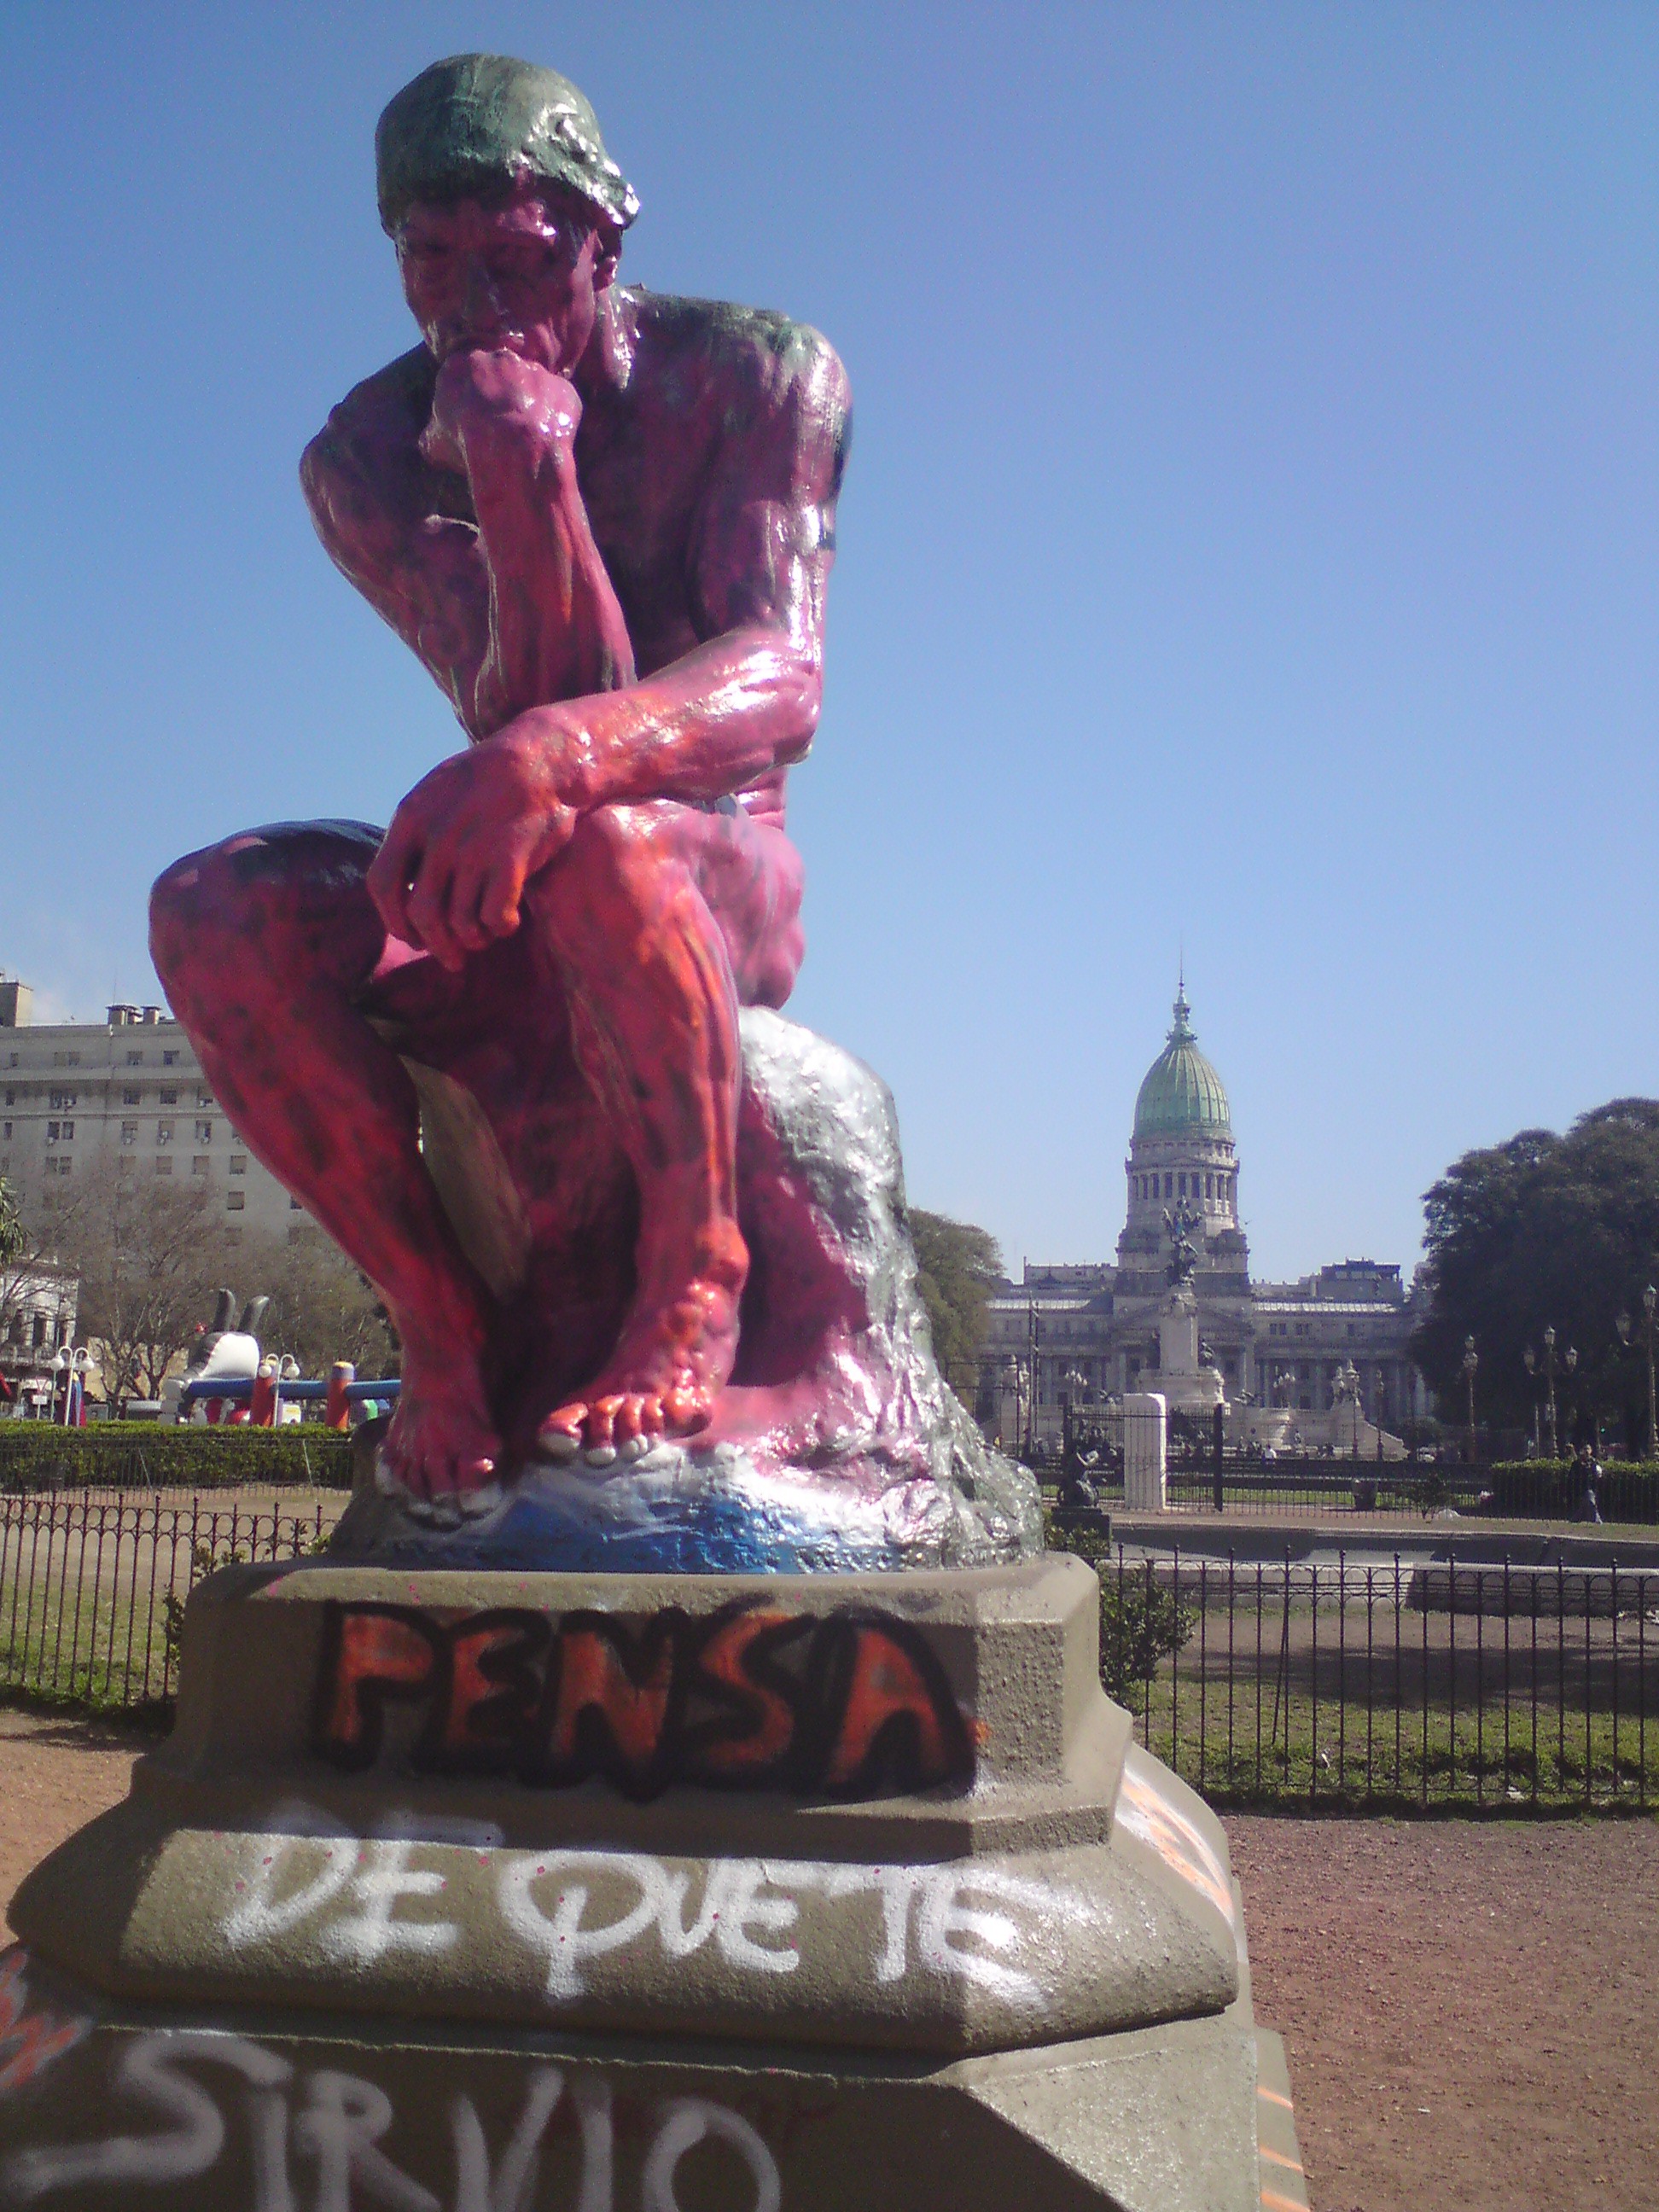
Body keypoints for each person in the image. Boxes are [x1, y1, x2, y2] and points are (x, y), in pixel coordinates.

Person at [149, 55, 850, 1507]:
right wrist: (519, 471)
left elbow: (778, 681)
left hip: (709, 853)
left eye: (516, 256)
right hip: (521, 836)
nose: (472, 297)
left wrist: (559, 756)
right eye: (431, 259)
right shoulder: (363, 453)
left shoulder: (758, 373)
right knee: (213, 910)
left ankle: (693, 1268)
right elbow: (509, 694)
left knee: (598, 840)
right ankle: (440, 1318)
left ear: (600, 242)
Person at [1575, 1441, 1604, 1525]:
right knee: (1586, 1503)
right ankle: (1578, 1518)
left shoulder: (1594, 1462)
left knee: (1590, 1502)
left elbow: (1597, 1474)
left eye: (1588, 1449)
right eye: (1585, 1449)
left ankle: (1596, 1519)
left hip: (1591, 1487)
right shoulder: (1578, 1463)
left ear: (1591, 1451)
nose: (1587, 1451)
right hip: (1581, 1487)